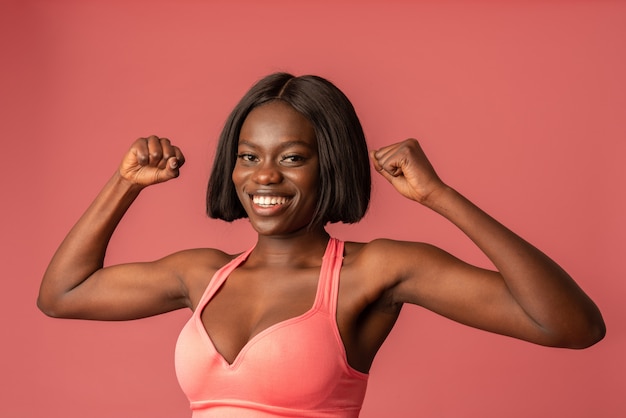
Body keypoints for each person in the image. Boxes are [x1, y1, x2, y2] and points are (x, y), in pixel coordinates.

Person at [38, 72, 605, 417]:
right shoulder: (202, 275)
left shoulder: (376, 270)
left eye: (291, 158)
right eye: (248, 157)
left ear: (327, 164)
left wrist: (440, 196)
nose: (264, 177)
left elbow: (572, 327)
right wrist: (125, 184)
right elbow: (64, 293)